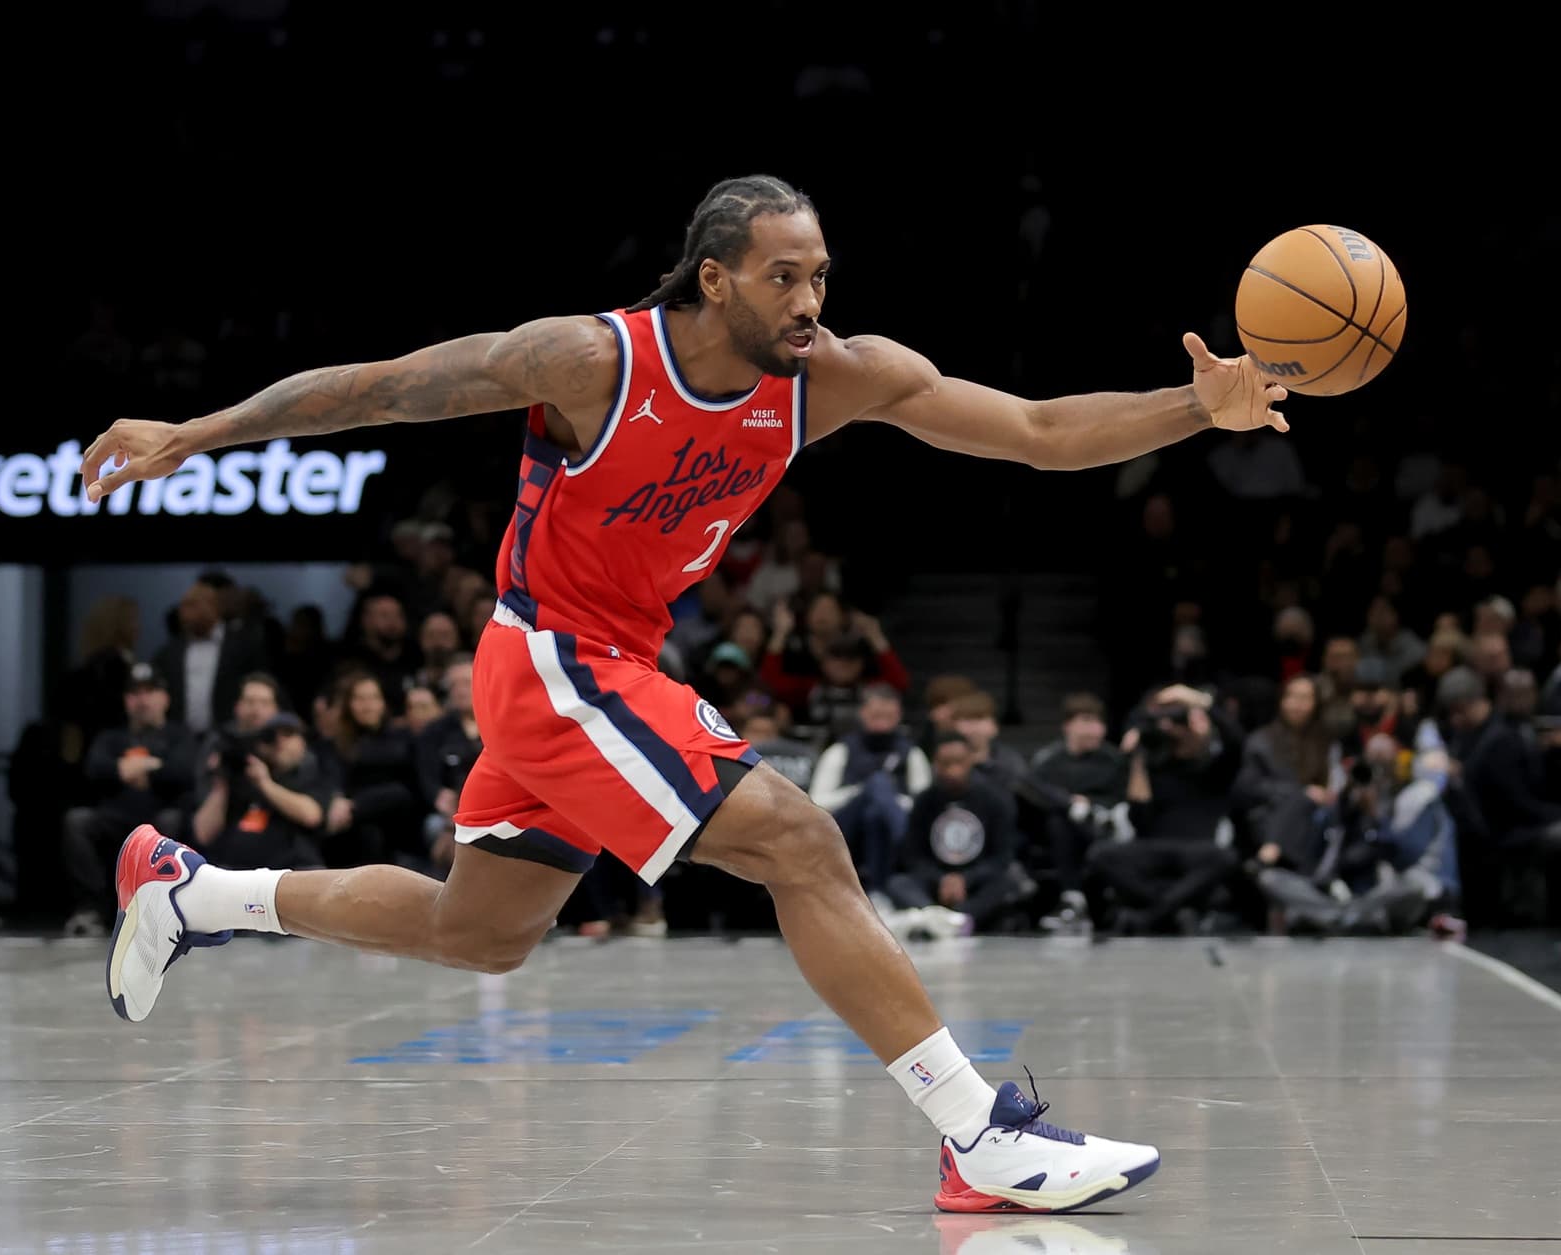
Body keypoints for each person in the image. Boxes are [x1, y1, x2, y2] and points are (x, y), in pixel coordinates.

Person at [81, 174, 1289, 1214]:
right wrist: (197, 432)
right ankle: (978, 1134)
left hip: (603, 672)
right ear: (712, 280)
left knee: (480, 932)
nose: (810, 301)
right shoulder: (590, 360)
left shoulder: (832, 375)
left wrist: (1195, 407)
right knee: (798, 840)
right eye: (782, 277)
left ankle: (199, 895)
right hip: (554, 659)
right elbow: (385, 387)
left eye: (819, 275)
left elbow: (1032, 428)